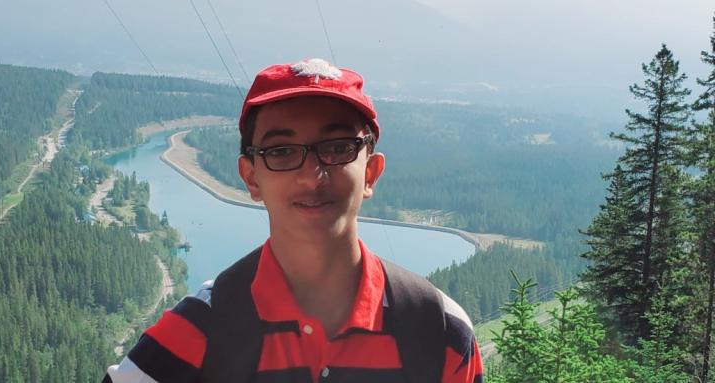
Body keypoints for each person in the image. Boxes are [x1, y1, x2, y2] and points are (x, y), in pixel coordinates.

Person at [104, 58, 483, 383]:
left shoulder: (439, 330)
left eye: (337, 148)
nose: (311, 175)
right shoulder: (201, 328)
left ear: (370, 173)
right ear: (251, 178)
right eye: (281, 152)